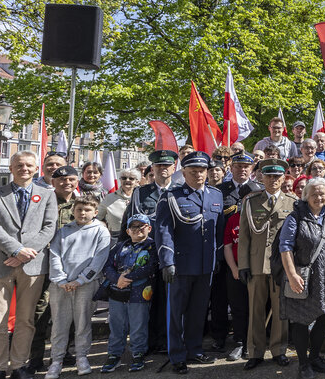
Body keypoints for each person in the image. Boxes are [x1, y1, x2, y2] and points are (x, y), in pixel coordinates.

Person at [0, 150, 58, 379]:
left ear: (36, 169)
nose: (24, 169)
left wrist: (24, 254)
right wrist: (15, 250)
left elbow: (49, 227)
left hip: (32, 265)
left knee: (25, 319)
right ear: (11, 168)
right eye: (19, 165)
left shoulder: (47, 195)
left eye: (29, 165)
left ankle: (18, 365)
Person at [155, 151, 224, 374]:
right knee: (176, 313)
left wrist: (218, 258)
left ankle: (194, 349)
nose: (198, 175)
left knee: (198, 311)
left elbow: (219, 231)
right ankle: (176, 354)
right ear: (183, 172)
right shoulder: (171, 196)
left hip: (206, 265)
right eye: (193, 171)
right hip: (180, 265)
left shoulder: (216, 195)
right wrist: (167, 261)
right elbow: (163, 231)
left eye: (202, 171)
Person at [235, 158, 295, 369]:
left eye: (277, 176)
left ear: (283, 178)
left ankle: (279, 350)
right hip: (257, 264)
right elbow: (244, 237)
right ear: (261, 177)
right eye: (268, 176)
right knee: (255, 310)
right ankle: (255, 351)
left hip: (282, 265)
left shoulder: (292, 202)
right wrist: (243, 265)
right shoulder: (251, 202)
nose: (273, 180)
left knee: (281, 310)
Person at [276, 178, 325, 378]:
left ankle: (315, 357)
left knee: (324, 316)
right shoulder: (295, 217)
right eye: (314, 194)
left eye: (322, 194)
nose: (318, 197)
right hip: (303, 277)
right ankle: (304, 364)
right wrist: (292, 275)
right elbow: (284, 247)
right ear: (306, 197)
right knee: (300, 321)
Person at [45, 194, 111, 379]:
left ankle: (81, 357)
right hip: (61, 285)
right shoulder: (64, 230)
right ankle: (56, 360)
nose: (83, 213)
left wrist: (80, 280)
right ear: (73, 211)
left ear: (95, 212)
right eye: (79, 209)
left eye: (87, 210)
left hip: (85, 285)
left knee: (82, 323)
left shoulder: (101, 231)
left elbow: (98, 260)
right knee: (59, 324)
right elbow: (55, 254)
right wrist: (61, 279)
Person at [211, 152, 262, 358]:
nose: (242, 170)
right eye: (238, 166)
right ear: (230, 168)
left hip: (252, 258)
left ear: (251, 169)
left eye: (246, 167)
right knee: (220, 300)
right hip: (225, 255)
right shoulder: (218, 191)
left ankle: (249, 338)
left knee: (250, 301)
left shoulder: (259, 189)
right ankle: (220, 338)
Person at [99, 214, 157, 374]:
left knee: (138, 326)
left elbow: (150, 267)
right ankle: (114, 354)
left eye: (142, 226)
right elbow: (107, 265)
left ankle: (138, 353)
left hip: (139, 294)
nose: (137, 229)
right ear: (128, 230)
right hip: (117, 292)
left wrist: (128, 278)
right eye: (134, 227)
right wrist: (117, 279)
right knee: (117, 326)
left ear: (149, 228)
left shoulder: (152, 247)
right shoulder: (119, 246)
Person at [99, 168, 139, 240]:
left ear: (137, 181)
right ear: (120, 180)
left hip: (138, 236)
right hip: (115, 237)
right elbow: (98, 217)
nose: (127, 180)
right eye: (124, 178)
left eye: (131, 178)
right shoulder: (109, 198)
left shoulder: (141, 197)